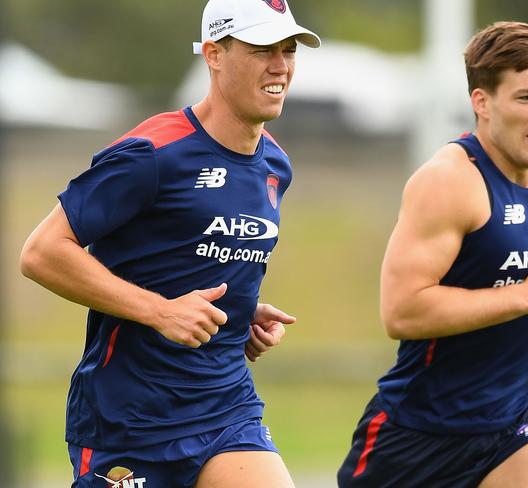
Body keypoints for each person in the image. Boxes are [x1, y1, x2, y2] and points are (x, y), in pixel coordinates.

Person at [19, 0, 320, 486]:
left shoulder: (275, 166)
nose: (281, 66)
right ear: (215, 54)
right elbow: (42, 252)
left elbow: (194, 255)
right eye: (263, 49)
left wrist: (242, 314)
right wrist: (161, 311)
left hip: (225, 408)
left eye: (288, 50)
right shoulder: (154, 152)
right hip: (129, 417)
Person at [338, 21, 528, 488]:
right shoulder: (449, 181)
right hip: (417, 436)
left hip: (510, 425)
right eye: (527, 98)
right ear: (482, 103)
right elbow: (402, 312)